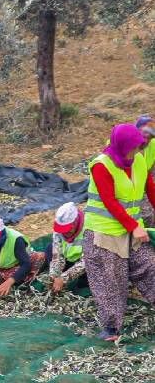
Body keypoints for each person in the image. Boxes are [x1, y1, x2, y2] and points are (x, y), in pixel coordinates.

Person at [82, 123, 155, 341]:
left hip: (131, 230)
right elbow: (110, 201)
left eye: (139, 148)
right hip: (104, 233)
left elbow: (149, 187)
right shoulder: (101, 165)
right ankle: (111, 328)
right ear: (122, 146)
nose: (137, 153)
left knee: (150, 266)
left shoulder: (139, 160)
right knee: (112, 281)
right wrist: (134, 226)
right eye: (133, 149)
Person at [47, 202, 86, 294]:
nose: (64, 233)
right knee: (49, 248)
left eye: (67, 230)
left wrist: (64, 278)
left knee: (84, 283)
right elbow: (57, 255)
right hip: (69, 259)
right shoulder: (59, 230)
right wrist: (54, 274)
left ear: (75, 223)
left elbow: (87, 261)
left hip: (85, 263)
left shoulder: (88, 229)